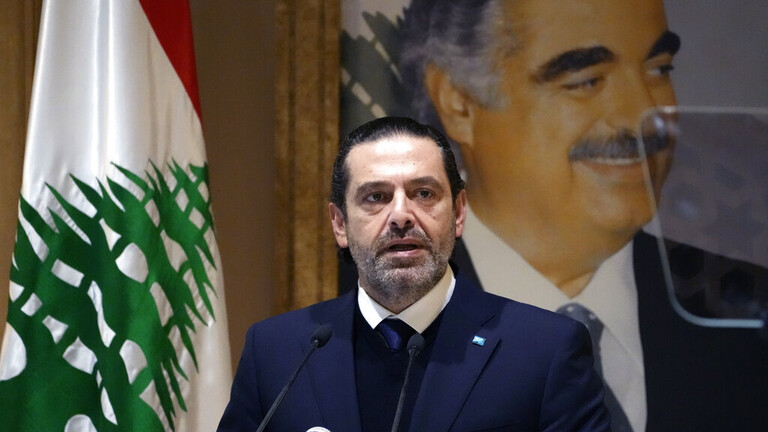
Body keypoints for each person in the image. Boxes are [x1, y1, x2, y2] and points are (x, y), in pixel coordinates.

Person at [395, 0, 768, 431]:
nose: (643, 117)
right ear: (459, 102)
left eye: (659, 69)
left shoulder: (749, 311)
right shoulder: (358, 316)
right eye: (586, 80)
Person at [217, 117, 610, 431]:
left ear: (459, 212)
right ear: (339, 224)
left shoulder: (545, 350)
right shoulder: (277, 352)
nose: (401, 215)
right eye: (376, 197)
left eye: (424, 193)